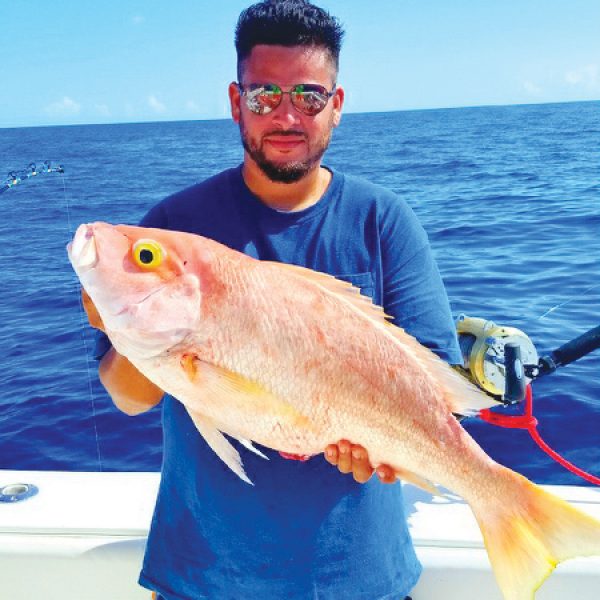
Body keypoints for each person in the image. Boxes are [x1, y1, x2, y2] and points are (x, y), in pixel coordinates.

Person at [87, 1, 462, 598]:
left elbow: (437, 386)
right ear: (237, 102)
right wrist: (135, 315)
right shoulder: (174, 227)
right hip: (201, 577)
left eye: (309, 97)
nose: (286, 116)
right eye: (265, 97)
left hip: (357, 576)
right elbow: (126, 399)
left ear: (336, 108)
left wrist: (384, 446)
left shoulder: (383, 222)